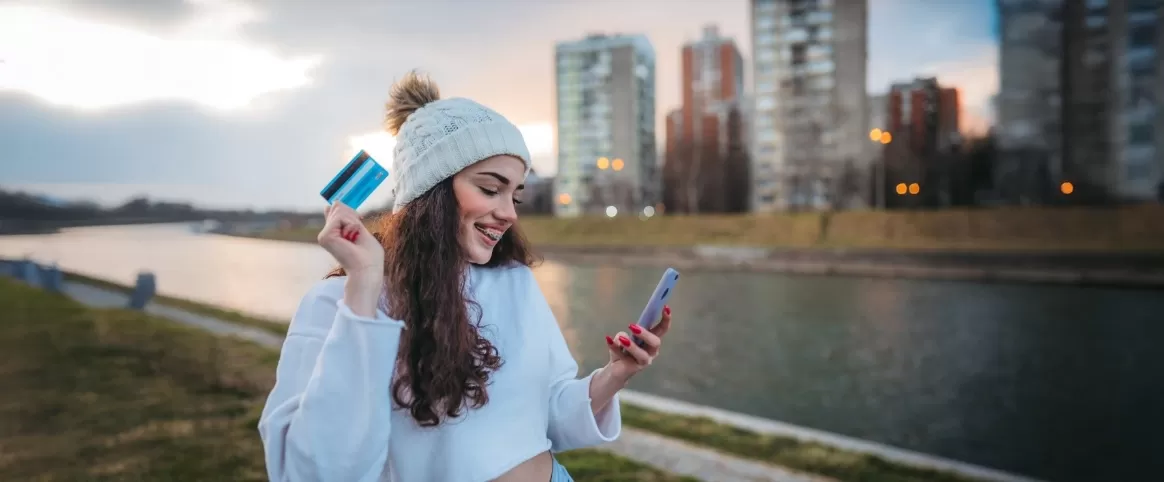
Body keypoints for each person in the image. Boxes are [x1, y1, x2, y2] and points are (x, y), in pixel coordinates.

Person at [257, 71, 674, 482]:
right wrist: (364, 284)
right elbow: (314, 474)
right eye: (491, 189)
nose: (510, 212)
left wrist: (615, 374)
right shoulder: (341, 303)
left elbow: (546, 416)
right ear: (432, 191)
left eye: (515, 194)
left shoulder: (515, 281)